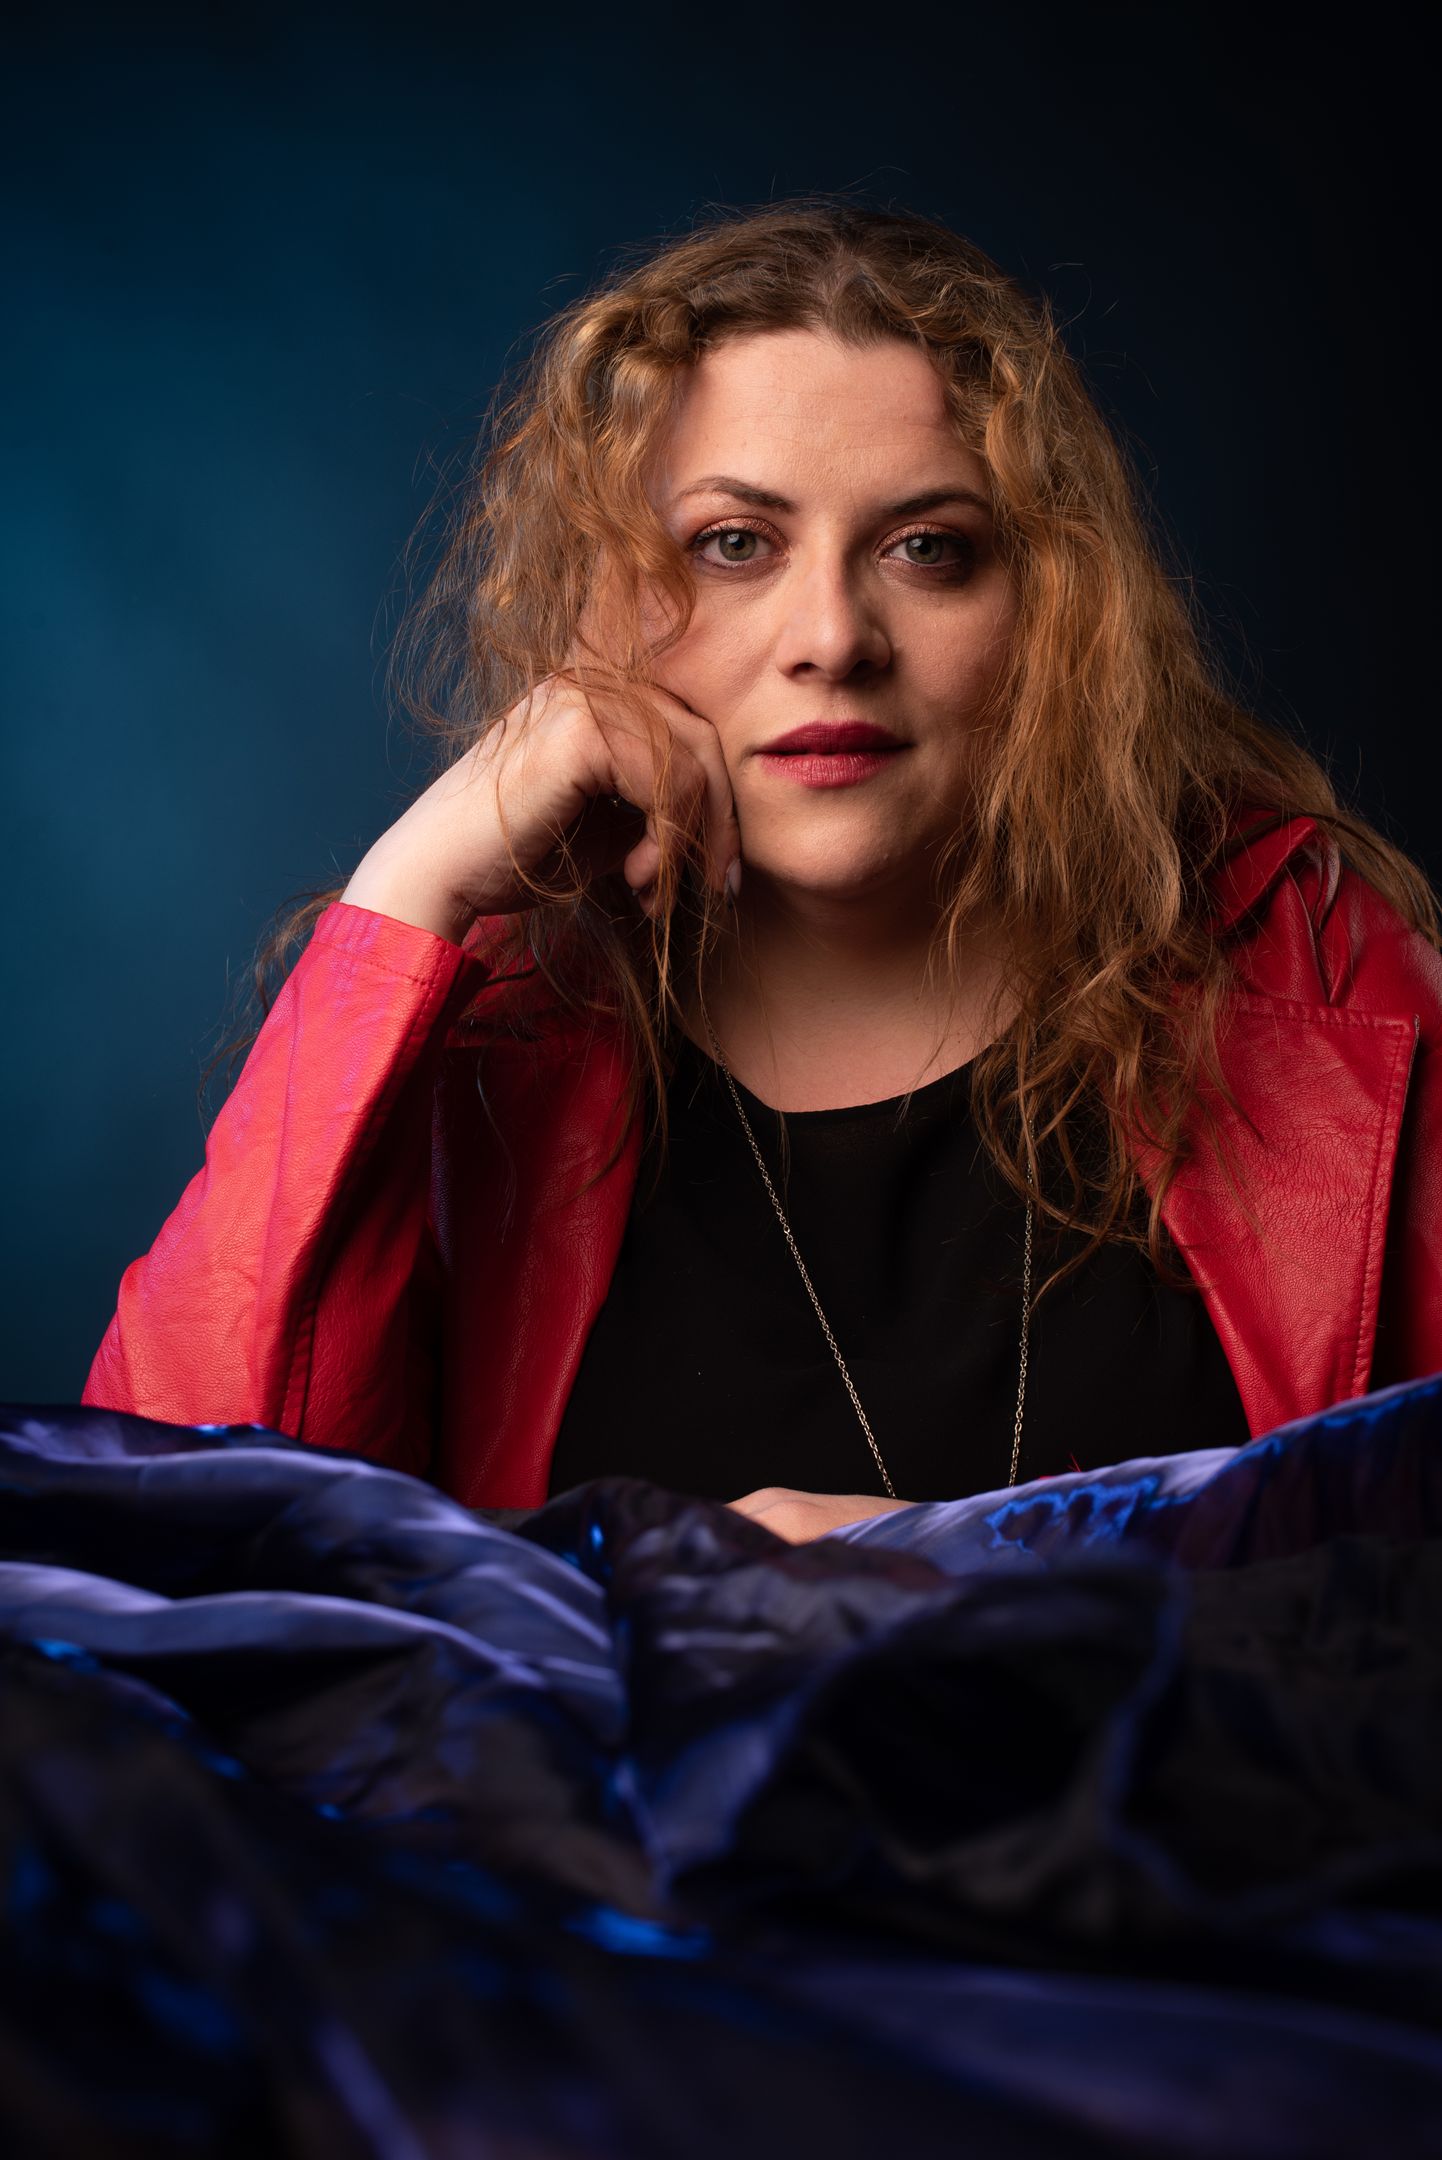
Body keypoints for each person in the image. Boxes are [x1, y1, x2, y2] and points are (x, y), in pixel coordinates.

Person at [83, 199, 1442, 1543]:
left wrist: (991, 1593)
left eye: (927, 549)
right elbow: (167, 1553)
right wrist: (405, 897)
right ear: (610, 602)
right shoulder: (476, 1038)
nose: (832, 638)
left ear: (1049, 609)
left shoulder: (1314, 967)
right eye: (733, 545)